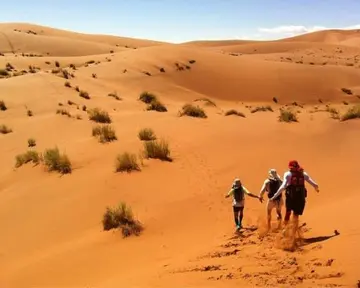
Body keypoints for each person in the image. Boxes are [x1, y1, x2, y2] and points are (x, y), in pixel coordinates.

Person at [269, 160, 319, 232]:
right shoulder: (303, 174)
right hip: (299, 197)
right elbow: (313, 183)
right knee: (293, 214)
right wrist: (316, 188)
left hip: (292, 197)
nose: (291, 169)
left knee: (290, 213)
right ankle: (290, 231)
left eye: (291, 168)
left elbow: (283, 186)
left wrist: (274, 196)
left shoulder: (288, 174)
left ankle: (287, 230)